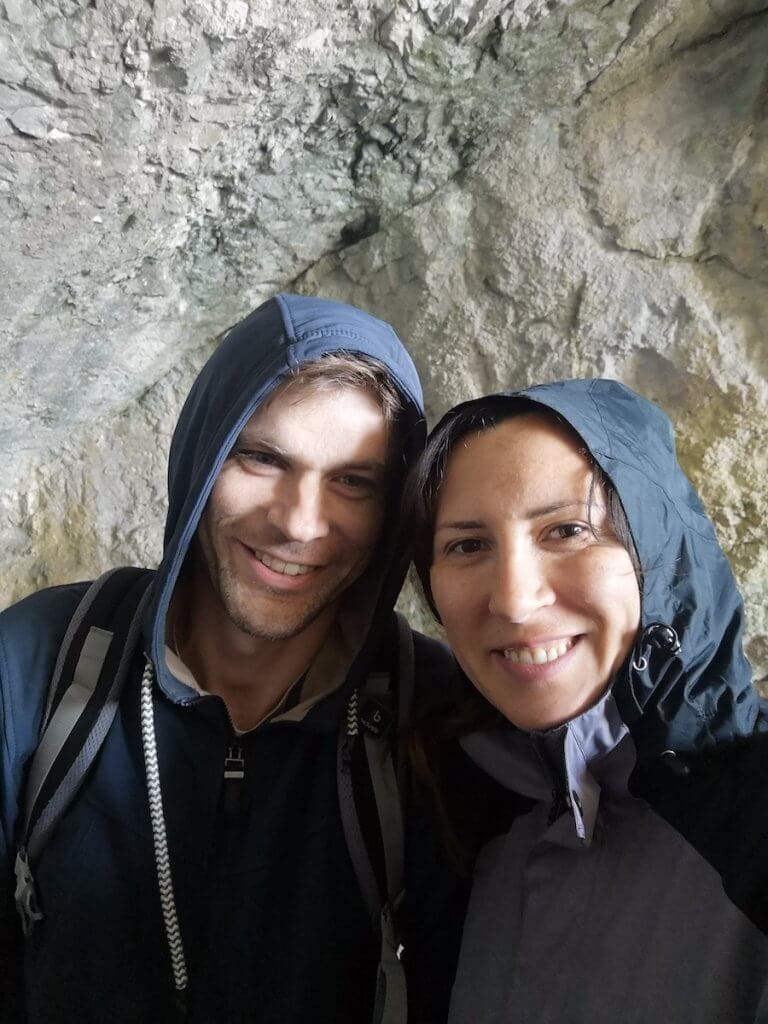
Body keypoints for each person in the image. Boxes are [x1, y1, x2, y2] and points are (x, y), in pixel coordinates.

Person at [0, 294, 468, 1024]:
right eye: (261, 457)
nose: (298, 523)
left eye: (353, 482)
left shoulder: (431, 716)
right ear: (202, 456)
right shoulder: (39, 662)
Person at [406, 378, 768, 1022]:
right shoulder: (464, 813)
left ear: (659, 553)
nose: (514, 600)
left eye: (567, 529)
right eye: (467, 545)